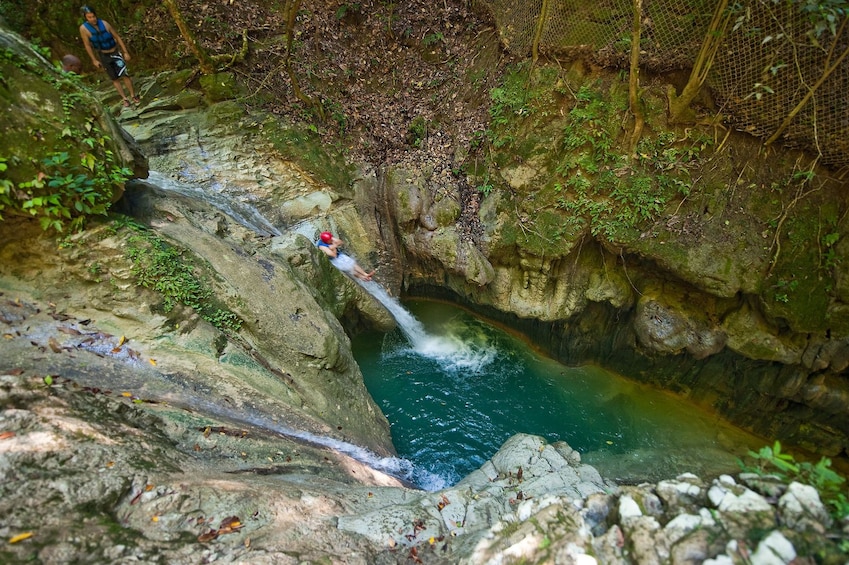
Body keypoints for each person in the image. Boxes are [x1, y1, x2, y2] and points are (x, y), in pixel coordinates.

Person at [78, 5, 140, 107]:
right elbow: (87, 45)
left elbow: (117, 37)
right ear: (85, 18)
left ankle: (133, 95)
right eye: (89, 17)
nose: (93, 19)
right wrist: (94, 60)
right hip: (103, 55)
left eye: (93, 16)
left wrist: (125, 52)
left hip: (115, 52)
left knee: (124, 74)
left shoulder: (104, 24)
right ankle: (124, 98)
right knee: (114, 78)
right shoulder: (84, 29)